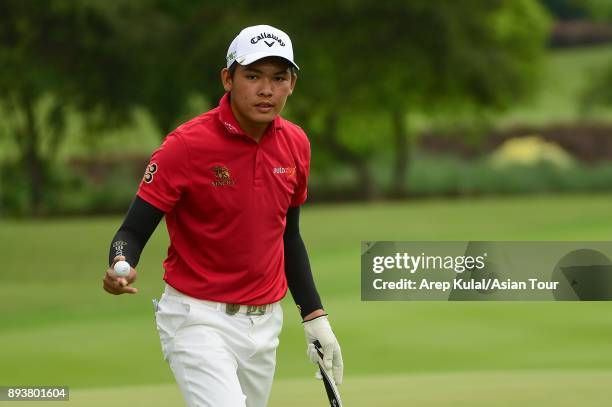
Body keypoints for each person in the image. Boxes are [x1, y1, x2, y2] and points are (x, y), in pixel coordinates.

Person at [101, 24, 343, 407]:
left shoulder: (296, 143)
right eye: (253, 76)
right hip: (197, 318)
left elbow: (288, 237)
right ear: (228, 79)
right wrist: (121, 260)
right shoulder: (186, 146)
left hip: (265, 324)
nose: (266, 90)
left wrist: (314, 316)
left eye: (279, 78)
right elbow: (131, 230)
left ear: (292, 83)